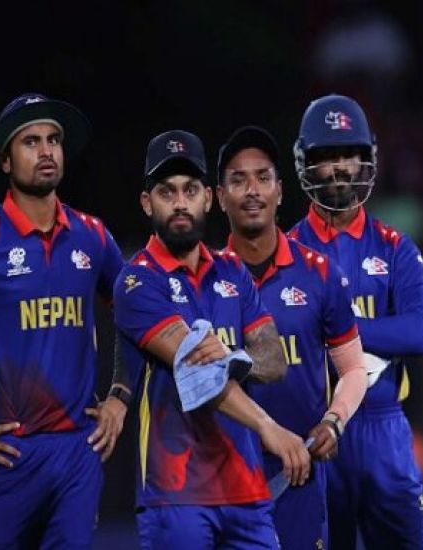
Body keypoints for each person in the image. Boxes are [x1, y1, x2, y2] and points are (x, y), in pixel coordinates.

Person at [113, 129, 310, 549]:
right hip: (176, 494)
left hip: (247, 491)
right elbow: (199, 373)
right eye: (167, 192)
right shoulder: (137, 281)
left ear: (207, 197)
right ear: (147, 203)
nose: (179, 203)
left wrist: (232, 356)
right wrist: (267, 425)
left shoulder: (233, 270)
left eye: (190, 190)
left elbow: (274, 359)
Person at [0, 93, 127, 548]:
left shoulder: (93, 237)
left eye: (53, 139)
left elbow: (141, 320)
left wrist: (119, 397)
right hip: (5, 456)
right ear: (5, 160)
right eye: (30, 142)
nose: (47, 150)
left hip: (77, 453)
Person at [289, 94, 423, 548]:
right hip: (309, 429)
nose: (339, 168)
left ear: (367, 159)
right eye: (327, 156)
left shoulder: (395, 248)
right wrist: (370, 335)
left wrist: (334, 330)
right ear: (306, 163)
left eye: (348, 155)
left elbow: (420, 332)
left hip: (383, 428)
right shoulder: (285, 252)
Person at [216, 125, 368, 549]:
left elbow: (354, 369)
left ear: (280, 191)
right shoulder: (204, 279)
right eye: (238, 180)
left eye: (263, 177)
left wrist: (334, 422)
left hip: (299, 473)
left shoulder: (320, 273)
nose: (252, 191)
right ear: (220, 196)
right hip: (222, 479)